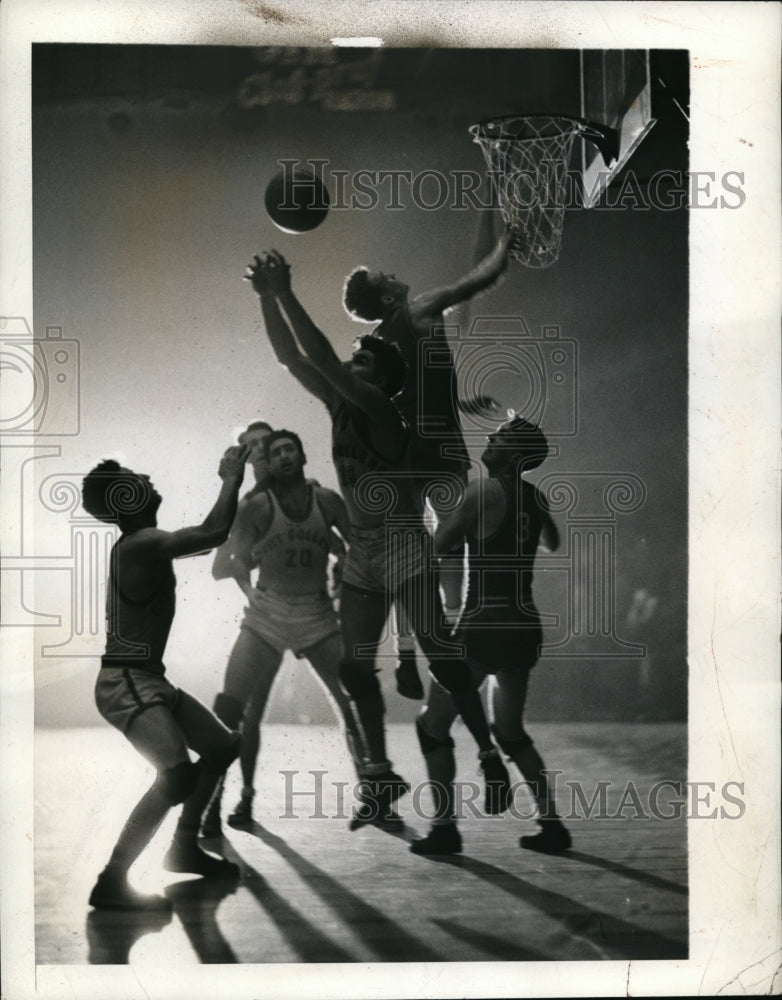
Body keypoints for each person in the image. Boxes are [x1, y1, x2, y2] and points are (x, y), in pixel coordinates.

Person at [246, 250, 511, 827]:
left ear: (382, 377)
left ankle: (489, 753)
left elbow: (317, 352)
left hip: (403, 543)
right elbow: (291, 355)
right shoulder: (340, 401)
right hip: (364, 552)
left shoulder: (379, 408)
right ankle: (378, 777)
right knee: (355, 670)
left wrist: (286, 290)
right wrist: (267, 298)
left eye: (362, 359)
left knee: (441, 654)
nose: (351, 362)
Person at [343, 228, 512, 699]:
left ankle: (405, 656)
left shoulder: (377, 342)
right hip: (437, 449)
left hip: (398, 454)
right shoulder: (419, 309)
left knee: (407, 552)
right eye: (384, 276)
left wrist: (458, 399)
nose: (394, 275)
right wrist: (505, 249)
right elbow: (476, 282)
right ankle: (453, 632)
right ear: (384, 293)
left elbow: (413, 388)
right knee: (453, 540)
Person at [81, 444, 249, 910]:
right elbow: (214, 532)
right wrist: (232, 479)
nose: (148, 478)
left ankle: (183, 847)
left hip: (145, 680)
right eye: (136, 479)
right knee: (175, 778)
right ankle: (112, 879)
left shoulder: (145, 543)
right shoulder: (140, 544)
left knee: (221, 747)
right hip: (126, 683)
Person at [410, 415, 572, 856]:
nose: (488, 438)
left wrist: (423, 516)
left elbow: (437, 545)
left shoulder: (481, 491)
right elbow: (552, 542)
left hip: (483, 624)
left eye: (498, 437)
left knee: (432, 724)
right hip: (522, 623)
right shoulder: (533, 497)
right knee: (511, 730)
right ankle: (552, 825)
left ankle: (445, 828)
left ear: (514, 454)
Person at [203, 428, 363, 834]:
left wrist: (342, 560)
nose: (264, 452)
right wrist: (249, 564)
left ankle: (372, 791)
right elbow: (221, 565)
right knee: (239, 712)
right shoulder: (249, 506)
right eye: (255, 448)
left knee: (353, 699)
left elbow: (356, 546)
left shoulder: (320, 497)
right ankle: (222, 800)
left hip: (316, 612)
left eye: (268, 444)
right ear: (256, 459)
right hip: (268, 614)